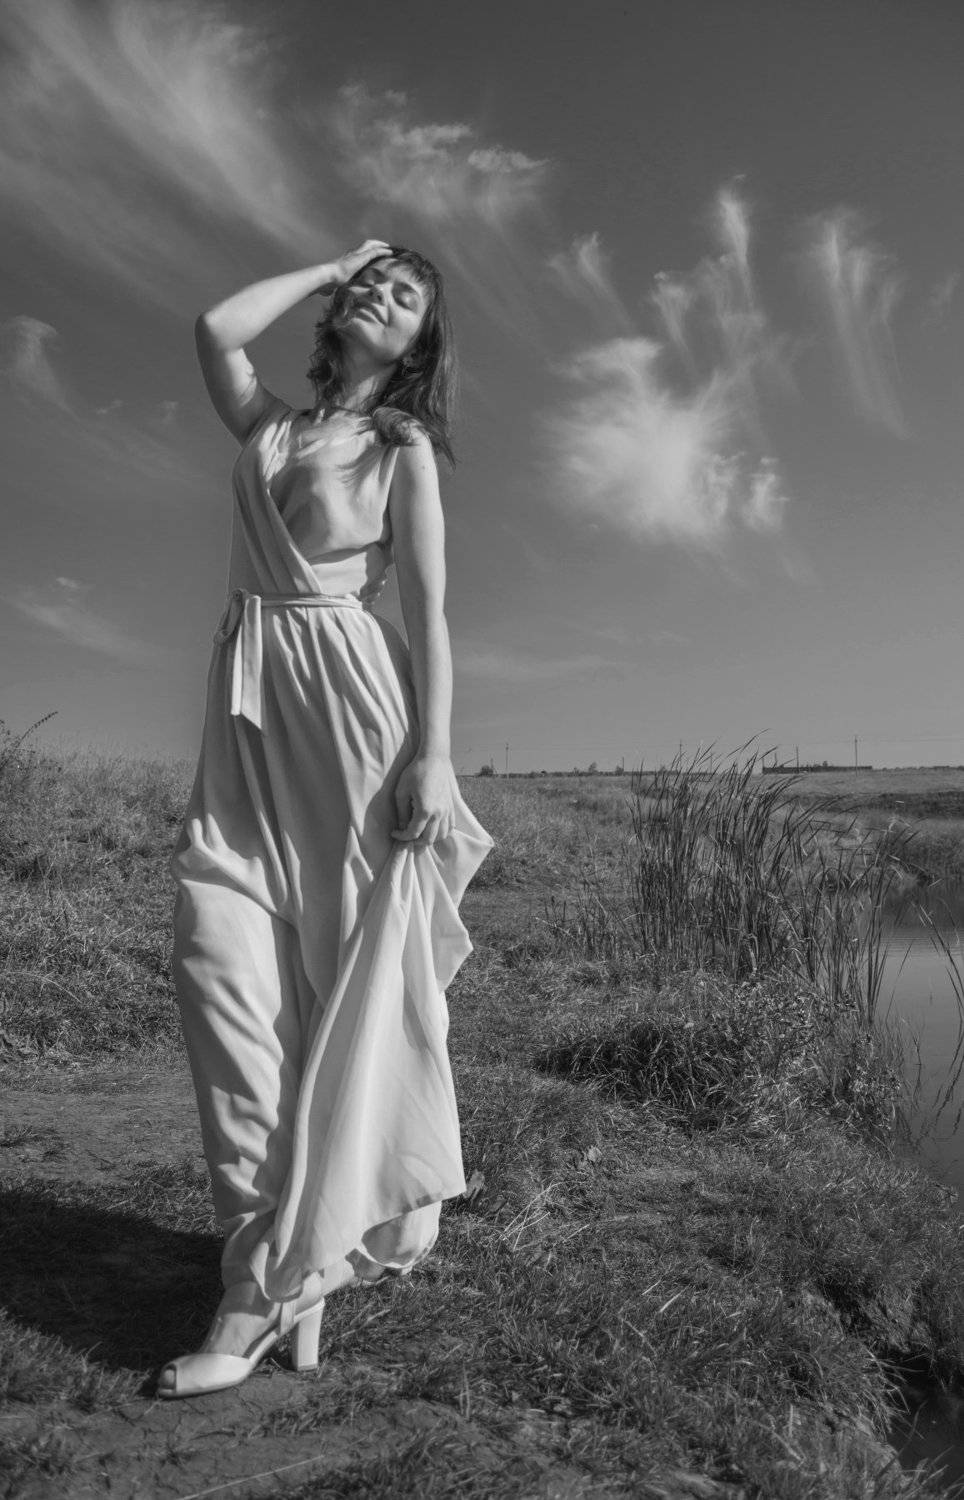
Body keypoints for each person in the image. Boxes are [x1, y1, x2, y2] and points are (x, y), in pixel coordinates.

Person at [158, 240, 494, 1398]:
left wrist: (433, 757)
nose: (378, 296)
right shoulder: (268, 427)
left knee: (345, 982)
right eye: (373, 283)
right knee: (216, 955)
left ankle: (270, 1286)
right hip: (248, 708)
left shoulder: (400, 449)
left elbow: (430, 612)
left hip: (351, 708)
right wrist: (332, 262)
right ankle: (275, 1256)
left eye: (404, 298)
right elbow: (215, 327)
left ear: (417, 347)